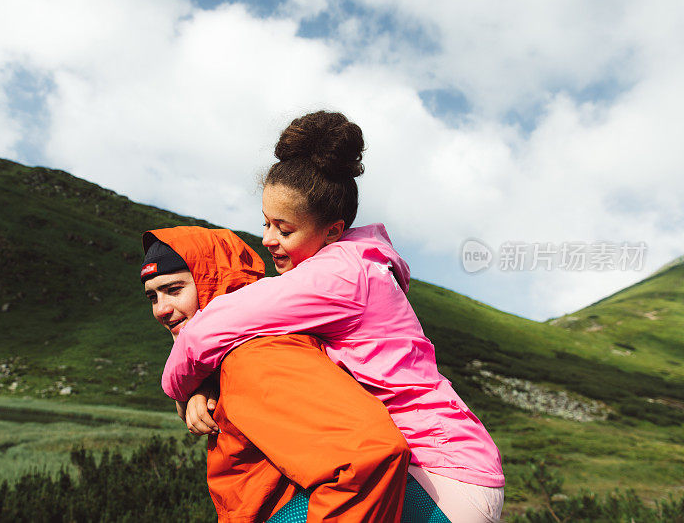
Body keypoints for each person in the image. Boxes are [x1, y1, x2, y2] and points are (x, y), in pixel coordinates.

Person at [163, 111, 505, 522]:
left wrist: (180, 390)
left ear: (332, 230)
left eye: (284, 230)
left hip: (437, 474)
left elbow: (210, 330)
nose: (268, 239)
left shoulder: (337, 275)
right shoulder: (358, 265)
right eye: (265, 223)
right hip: (452, 465)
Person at [141, 225, 411, 522]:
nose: (161, 309)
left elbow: (370, 455)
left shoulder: (254, 357)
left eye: (174, 290)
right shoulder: (236, 359)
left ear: (214, 282)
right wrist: (200, 386)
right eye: (152, 297)